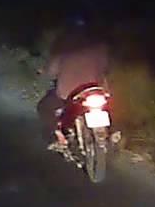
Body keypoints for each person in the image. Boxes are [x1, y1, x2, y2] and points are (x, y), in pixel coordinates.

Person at [37, 16, 110, 150]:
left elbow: (52, 70)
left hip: (70, 93)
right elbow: (107, 67)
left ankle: (59, 136)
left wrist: (45, 71)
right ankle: (115, 135)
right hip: (96, 90)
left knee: (44, 106)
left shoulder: (63, 45)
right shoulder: (100, 44)